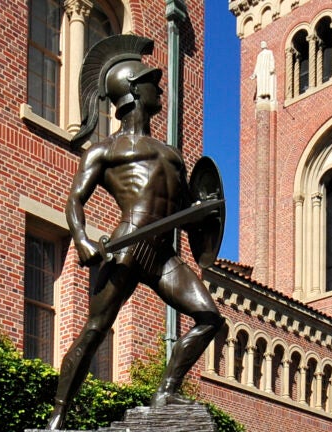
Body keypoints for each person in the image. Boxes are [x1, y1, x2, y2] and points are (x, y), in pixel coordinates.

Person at [46, 34, 225, 430]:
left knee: (210, 317)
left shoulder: (173, 154)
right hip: (126, 246)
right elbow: (75, 200)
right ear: (132, 90)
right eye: (150, 81)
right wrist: (82, 239)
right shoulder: (105, 150)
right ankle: (57, 417)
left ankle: (167, 392)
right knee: (94, 330)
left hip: (163, 253)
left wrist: (202, 214)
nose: (158, 86)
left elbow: (185, 211)